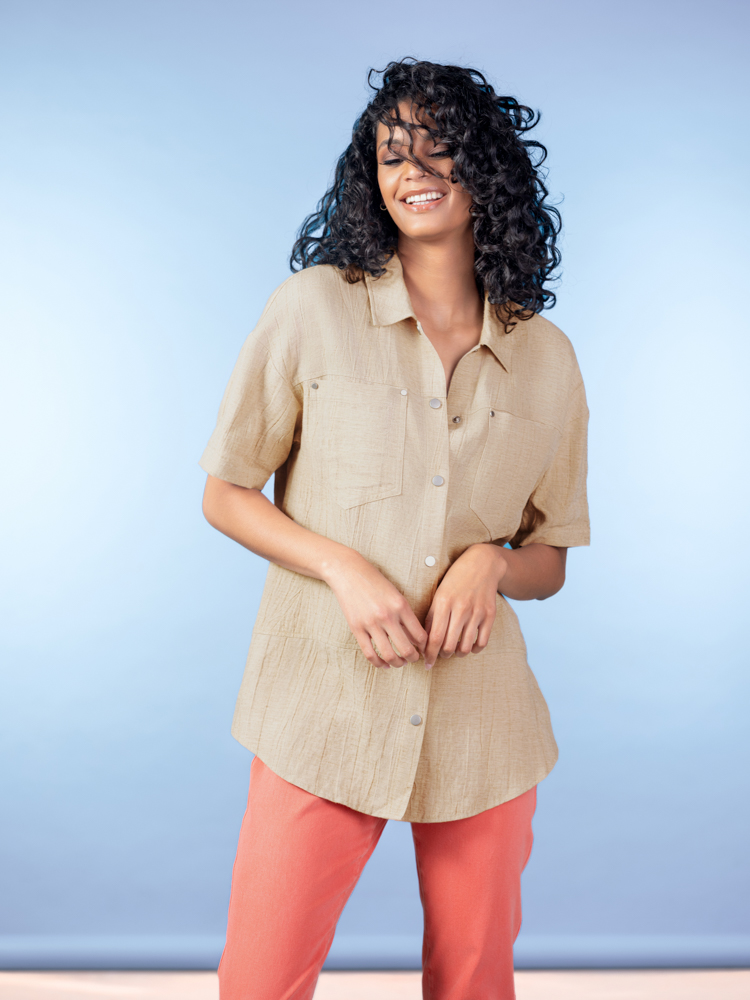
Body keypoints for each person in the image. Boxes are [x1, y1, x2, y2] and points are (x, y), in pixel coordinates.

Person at [200, 58, 589, 1000]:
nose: (412, 169)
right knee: (260, 982)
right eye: (391, 154)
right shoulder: (313, 309)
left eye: (436, 147)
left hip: (483, 722)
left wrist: (491, 564)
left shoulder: (547, 356)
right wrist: (343, 569)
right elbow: (227, 493)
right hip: (323, 705)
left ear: (486, 166)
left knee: (475, 982)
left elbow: (550, 557)